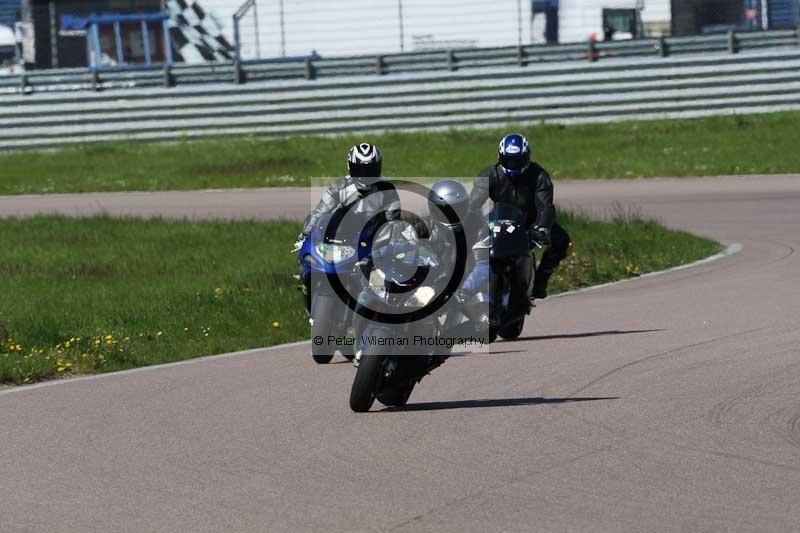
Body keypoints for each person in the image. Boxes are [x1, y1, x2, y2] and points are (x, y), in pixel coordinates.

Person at [468, 133, 571, 299]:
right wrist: (469, 221)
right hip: (498, 219)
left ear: (527, 157)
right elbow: (472, 204)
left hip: (530, 222)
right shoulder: (490, 175)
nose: (513, 165)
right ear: (500, 158)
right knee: (467, 237)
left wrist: (542, 227)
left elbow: (545, 207)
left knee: (562, 241)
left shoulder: (539, 176)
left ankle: (540, 281)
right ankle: (465, 282)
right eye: (508, 160)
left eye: (518, 161)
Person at [293, 142, 400, 252]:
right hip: (343, 236)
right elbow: (319, 213)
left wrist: (392, 244)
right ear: (350, 167)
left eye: (370, 170)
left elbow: (393, 221)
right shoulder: (339, 187)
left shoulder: (387, 189)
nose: (365, 176)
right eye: (360, 170)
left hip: (373, 238)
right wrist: (305, 234)